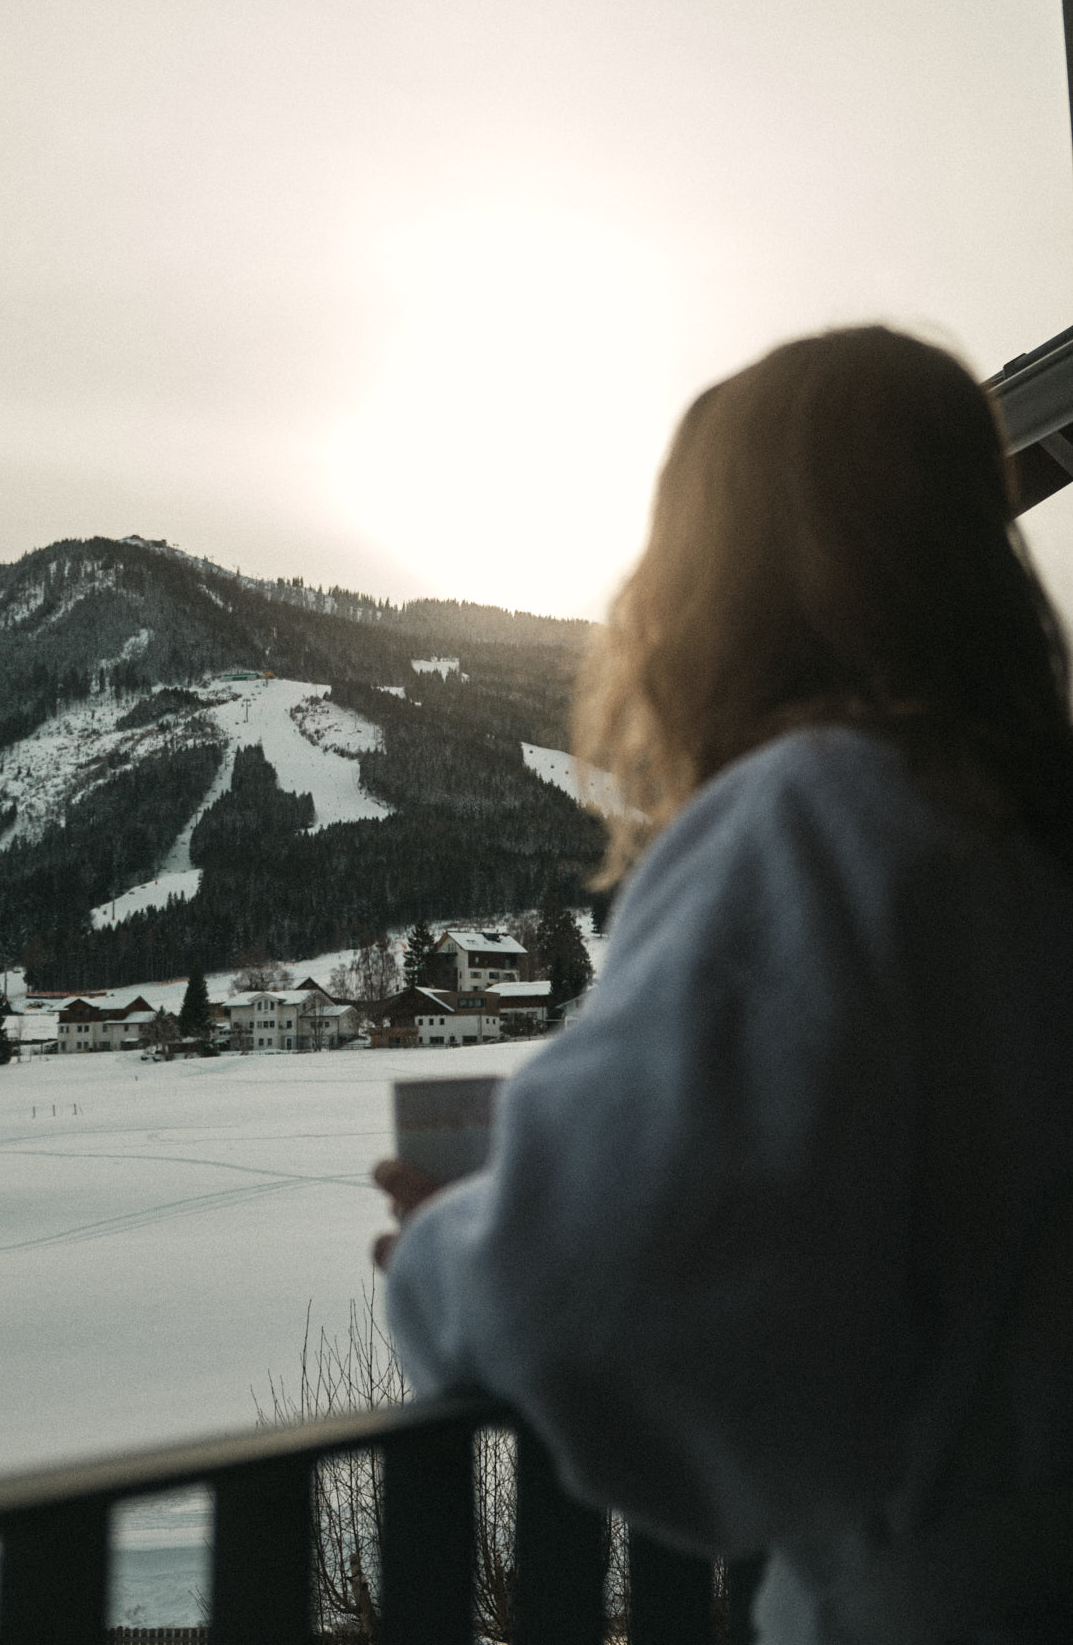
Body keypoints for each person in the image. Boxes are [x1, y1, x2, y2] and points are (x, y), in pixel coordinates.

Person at [374, 326, 1073, 1645]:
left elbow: (590, 1288)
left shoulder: (818, 816)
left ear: (715, 573)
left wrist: (444, 1259)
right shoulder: (1029, 830)